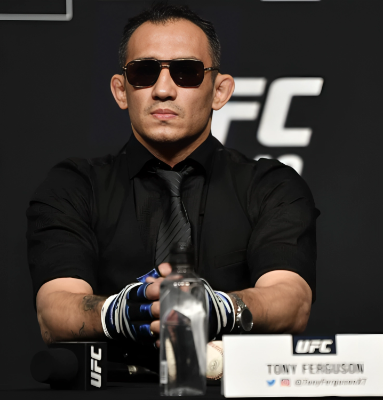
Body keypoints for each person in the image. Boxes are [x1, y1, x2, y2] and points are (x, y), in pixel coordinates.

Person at [26, 3, 319, 371]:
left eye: (186, 72)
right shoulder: (74, 186)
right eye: (144, 72)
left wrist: (220, 308)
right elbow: (53, 312)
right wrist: (119, 312)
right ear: (121, 90)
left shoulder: (271, 185)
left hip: (225, 390)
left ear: (220, 91)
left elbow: (292, 302)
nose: (163, 90)